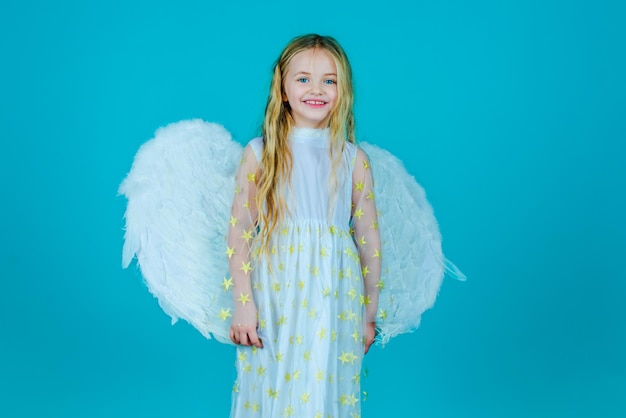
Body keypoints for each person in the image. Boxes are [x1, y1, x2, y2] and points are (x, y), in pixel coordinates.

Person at [226, 33, 381, 417]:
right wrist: (244, 305)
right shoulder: (260, 154)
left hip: (335, 292)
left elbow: (369, 240)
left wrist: (368, 313)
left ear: (342, 89)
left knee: (322, 384)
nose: (317, 89)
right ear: (281, 86)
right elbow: (240, 231)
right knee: (274, 383)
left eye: (329, 80)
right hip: (276, 291)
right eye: (303, 79)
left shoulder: (353, 159)